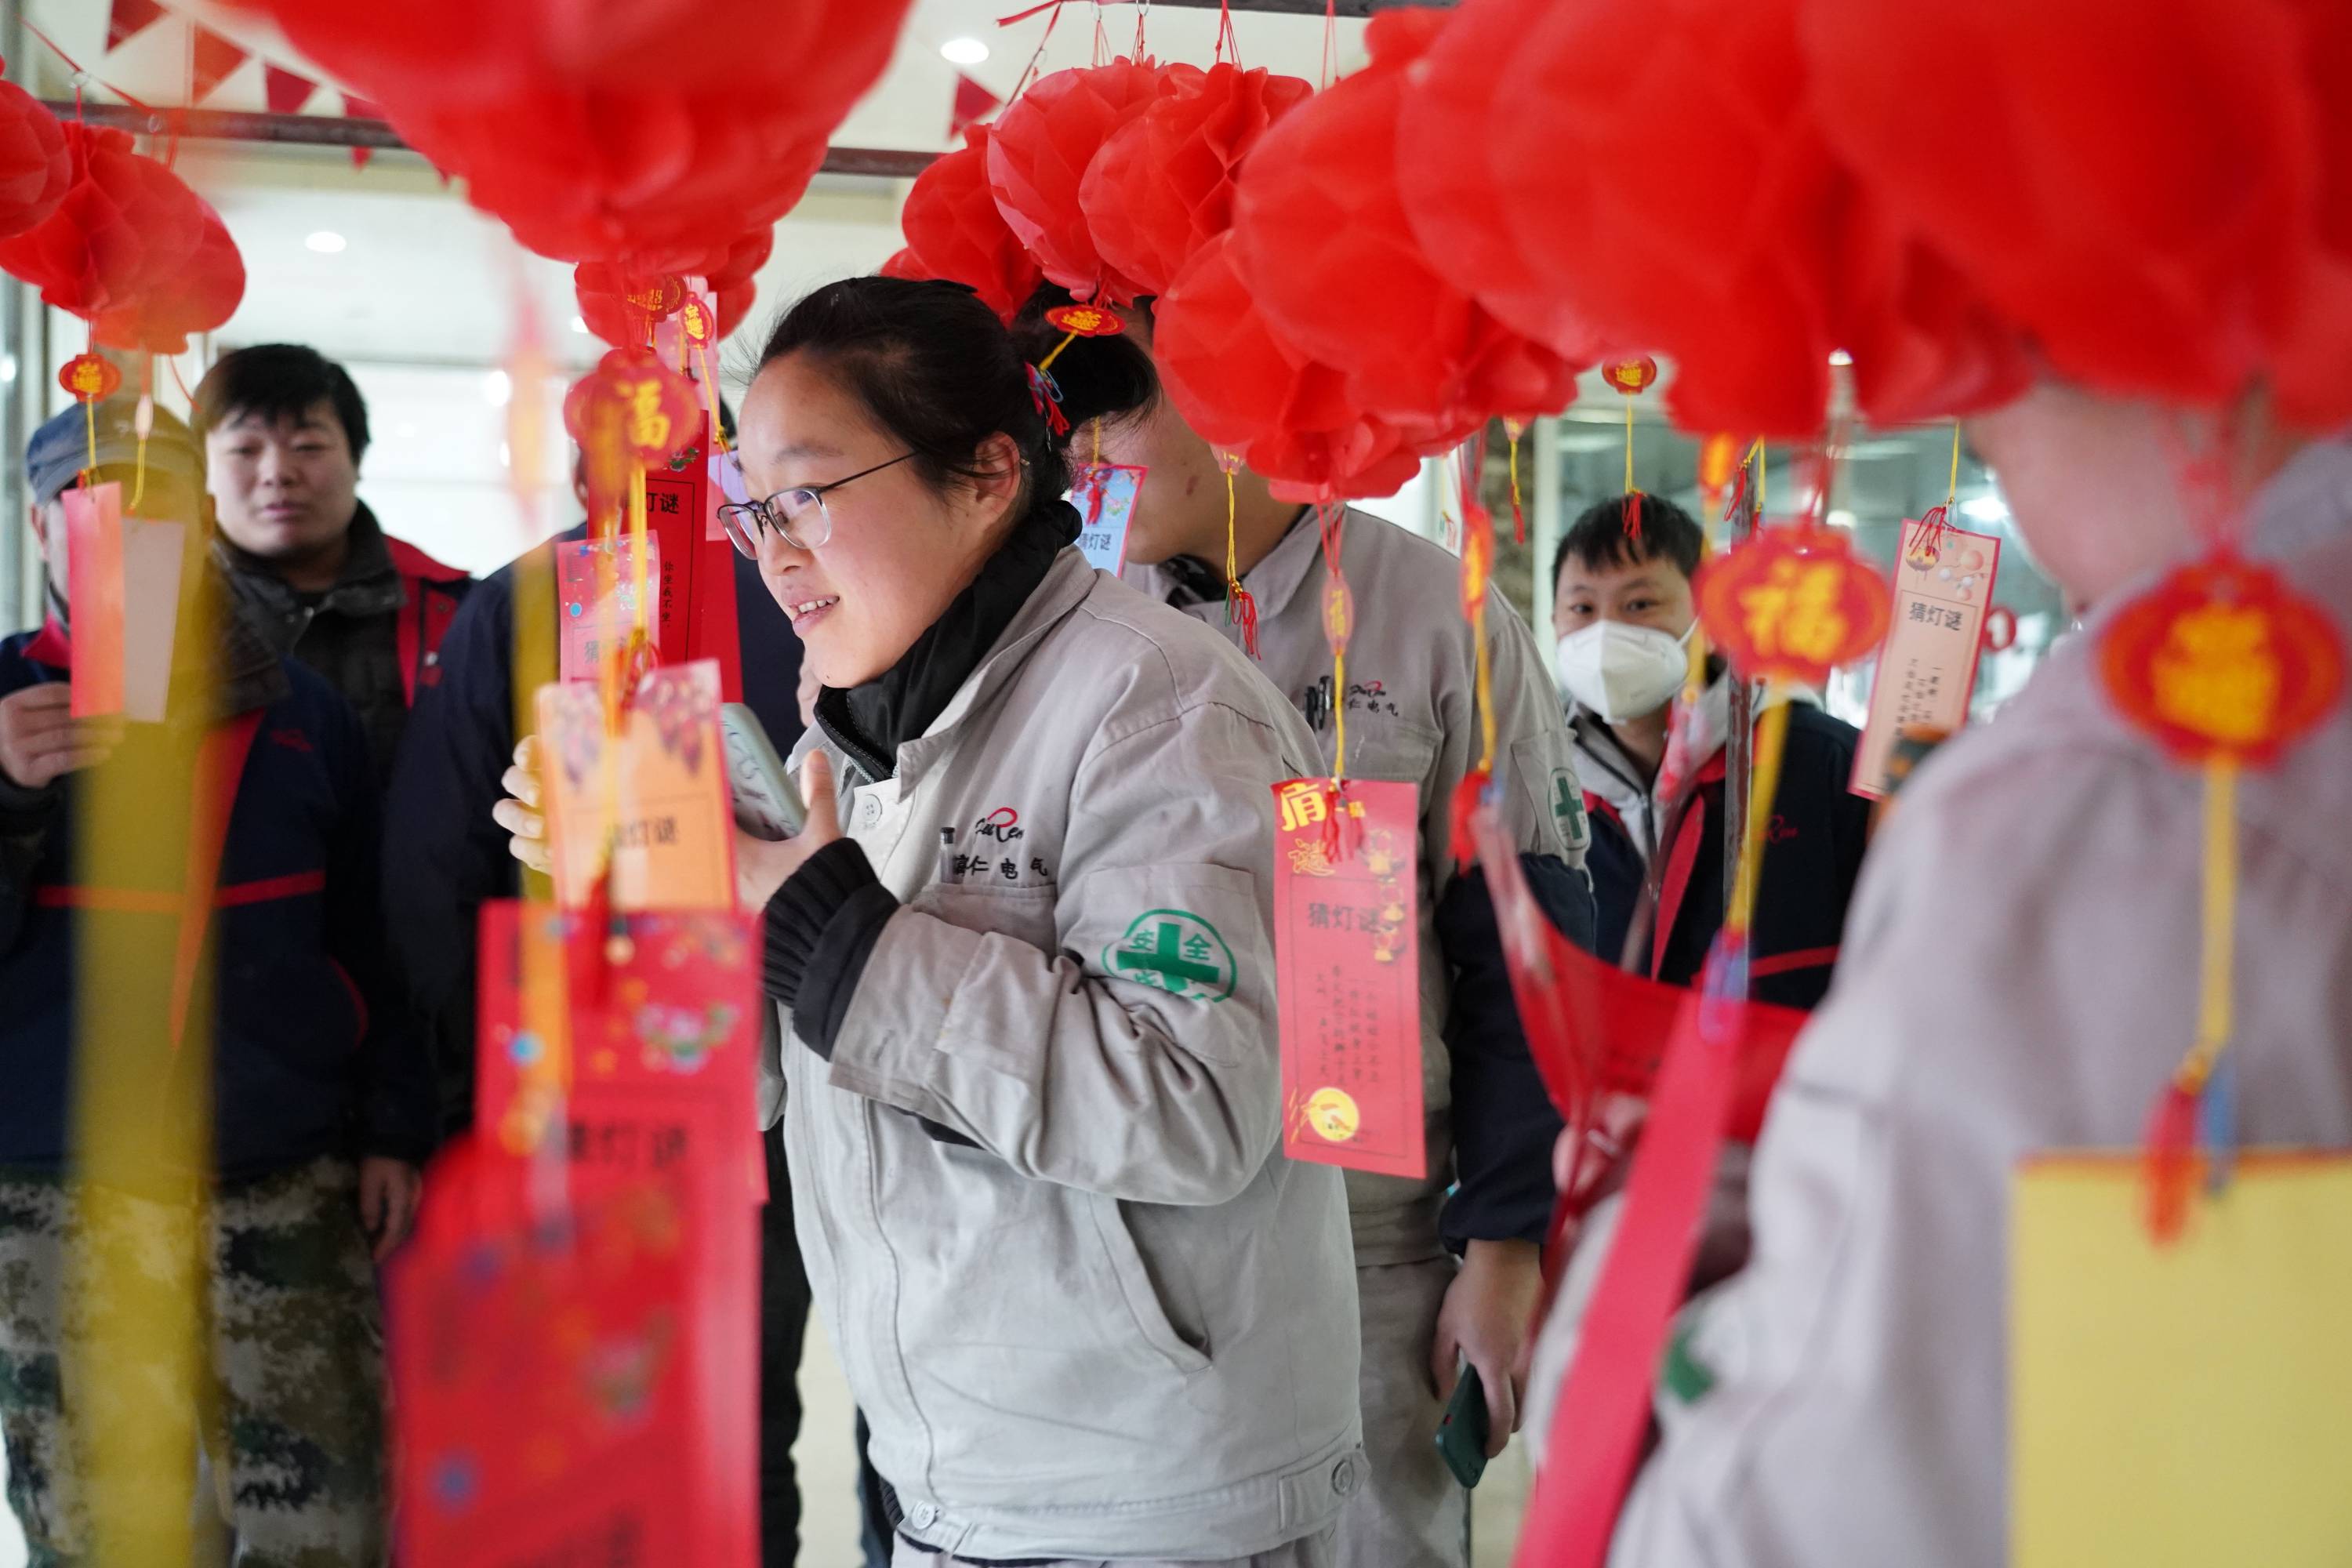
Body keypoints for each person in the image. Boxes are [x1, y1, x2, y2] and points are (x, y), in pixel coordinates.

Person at [498, 275, 1366, 1566]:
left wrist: (833, 935)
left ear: (987, 476)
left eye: (809, 495)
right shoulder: (845, 741)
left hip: (1158, 1500)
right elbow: (766, 1086)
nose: (774, 551)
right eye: (753, 508)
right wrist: (666, 907)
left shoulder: (1166, 707)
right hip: (956, 1477)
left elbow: (1191, 1108)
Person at [1584, 399, 2352, 1566]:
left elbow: (1811, 1505)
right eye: (1581, 608)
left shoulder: (2100, 803)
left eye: (1640, 604)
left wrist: (1622, 1276)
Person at [1064, 289, 1596, 1568]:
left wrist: (1506, 1245)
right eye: (1067, 414)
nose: (1082, 450)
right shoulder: (1070, 628)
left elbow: (1529, 955)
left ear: (1234, 391)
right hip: (1124, 1241)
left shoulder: (1436, 618)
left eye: (1117, 404)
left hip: (1373, 1248)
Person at [0, 398, 434, 1563]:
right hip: (63, 1189)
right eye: (89, 506)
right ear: (40, 527)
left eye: (160, 508)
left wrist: (392, 1129)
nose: (127, 533)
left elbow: (372, 935)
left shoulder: (302, 711)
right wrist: (6, 795)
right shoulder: (3, 702)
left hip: (282, 1168)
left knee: (329, 1518)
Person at [383, 436, 821, 1566]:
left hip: (587, 1082)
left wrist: (477, 1091)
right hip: (799, 1068)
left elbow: (433, 874)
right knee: (744, 1421)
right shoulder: (820, 581)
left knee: (588, 1417)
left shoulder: (523, 603)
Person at [1550, 493, 1871, 1010]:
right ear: (1554, 620)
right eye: (1582, 608)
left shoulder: (1826, 765)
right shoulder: (1543, 783)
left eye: (1639, 604)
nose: (1606, 632)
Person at [193, 343, 472, 783]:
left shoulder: (458, 611)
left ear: (357, 460)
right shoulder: (164, 612)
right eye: (244, 449)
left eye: (308, 446)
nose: (277, 472)